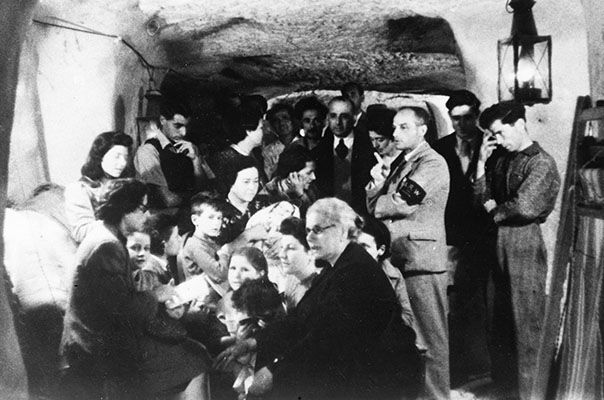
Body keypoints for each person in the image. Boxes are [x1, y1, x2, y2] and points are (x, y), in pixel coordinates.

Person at [215, 198, 421, 400]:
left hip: (380, 378)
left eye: (318, 230)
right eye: (308, 230)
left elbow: (325, 340)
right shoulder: (336, 265)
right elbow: (300, 320)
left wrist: (273, 372)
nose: (310, 238)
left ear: (342, 231)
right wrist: (252, 342)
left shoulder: (356, 271)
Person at [60, 179, 210, 400]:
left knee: (186, 349)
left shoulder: (104, 237)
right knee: (197, 356)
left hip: (97, 340)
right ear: (123, 209)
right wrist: (157, 295)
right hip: (100, 349)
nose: (147, 215)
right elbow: (123, 311)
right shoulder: (107, 247)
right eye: (142, 209)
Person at [474, 102, 560, 400]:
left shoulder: (541, 163)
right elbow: (479, 195)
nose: (497, 140)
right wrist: (480, 163)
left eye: (499, 132)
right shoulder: (499, 159)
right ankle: (504, 390)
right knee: (498, 321)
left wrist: (493, 209)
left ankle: (530, 394)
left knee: (527, 320)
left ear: (520, 123)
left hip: (524, 242)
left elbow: (526, 206)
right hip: (496, 241)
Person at [366, 106, 450, 400]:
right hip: (402, 257)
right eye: (394, 127)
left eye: (404, 127)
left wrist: (379, 198)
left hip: (421, 261)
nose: (395, 133)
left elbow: (402, 203)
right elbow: (375, 201)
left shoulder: (432, 163)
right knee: (412, 340)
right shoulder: (404, 162)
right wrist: (377, 184)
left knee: (431, 341)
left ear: (422, 130)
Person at [432, 90, 496, 383]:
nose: (461, 124)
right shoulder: (439, 148)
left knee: (487, 302)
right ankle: (456, 370)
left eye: (467, 117)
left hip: (486, 234)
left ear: (477, 115)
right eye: (455, 119)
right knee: (454, 304)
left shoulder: (493, 143)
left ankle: (487, 370)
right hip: (453, 238)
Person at [134, 100, 213, 210]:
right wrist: (199, 199)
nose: (183, 132)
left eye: (186, 126)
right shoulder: (148, 150)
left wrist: (195, 161)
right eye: (178, 126)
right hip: (164, 220)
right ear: (162, 120)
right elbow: (167, 199)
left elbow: (207, 187)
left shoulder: (190, 147)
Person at [65, 131, 133, 243]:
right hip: (102, 251)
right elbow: (81, 232)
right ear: (100, 157)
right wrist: (122, 223)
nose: (123, 163)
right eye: (117, 156)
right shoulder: (79, 189)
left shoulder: (124, 185)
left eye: (125, 157)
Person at [312, 96, 375, 214]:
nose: (338, 122)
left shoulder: (370, 148)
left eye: (344, 116)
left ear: (354, 119)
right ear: (327, 119)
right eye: (333, 116)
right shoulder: (317, 152)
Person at [356, 215, 414, 328]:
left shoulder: (394, 275)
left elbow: (407, 316)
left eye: (364, 247)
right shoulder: (342, 271)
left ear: (381, 250)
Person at [209, 100, 267, 195]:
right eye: (261, 128)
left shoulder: (253, 154)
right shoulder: (226, 158)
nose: (263, 131)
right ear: (248, 131)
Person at [180, 193, 230, 302]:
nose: (217, 223)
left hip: (217, 293)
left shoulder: (211, 240)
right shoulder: (195, 245)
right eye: (210, 217)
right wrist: (224, 253)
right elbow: (219, 274)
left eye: (219, 218)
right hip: (204, 301)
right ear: (195, 220)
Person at [277, 216, 322, 311]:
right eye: (281, 247)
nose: (281, 255)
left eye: (290, 248)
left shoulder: (317, 292)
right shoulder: (293, 274)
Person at [261, 146, 318, 216]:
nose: (313, 177)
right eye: (309, 173)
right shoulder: (265, 196)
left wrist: (301, 195)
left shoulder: (311, 191)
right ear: (292, 175)